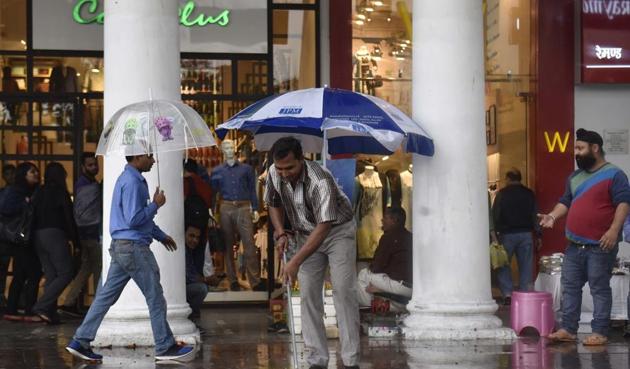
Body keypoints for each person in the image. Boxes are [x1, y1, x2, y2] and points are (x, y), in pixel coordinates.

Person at [65, 145, 195, 362]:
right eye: (149, 156)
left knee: (105, 298)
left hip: (122, 246)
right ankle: (164, 346)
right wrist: (156, 204)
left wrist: (160, 235)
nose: (153, 160)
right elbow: (134, 220)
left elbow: (137, 220)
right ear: (137, 157)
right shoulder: (133, 182)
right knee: (155, 297)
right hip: (133, 248)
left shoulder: (128, 179)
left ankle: (81, 340)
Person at [265, 137, 360, 369]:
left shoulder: (321, 179)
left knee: (343, 291)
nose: (284, 173)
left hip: (337, 232)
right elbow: (273, 202)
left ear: (302, 160)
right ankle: (317, 359)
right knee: (308, 293)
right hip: (305, 234)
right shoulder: (273, 173)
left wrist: (295, 262)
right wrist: (280, 233)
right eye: (280, 168)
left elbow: (324, 226)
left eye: (290, 168)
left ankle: (350, 360)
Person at [540, 129, 630, 346]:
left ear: (595, 148)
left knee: (599, 288)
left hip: (601, 244)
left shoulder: (615, 174)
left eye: (580, 149)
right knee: (570, 287)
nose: (576, 154)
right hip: (574, 245)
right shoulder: (574, 177)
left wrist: (613, 231)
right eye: (576, 149)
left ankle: (600, 332)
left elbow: (623, 204)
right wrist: (552, 216)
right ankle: (568, 329)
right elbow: (565, 202)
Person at [210, 139, 264, 291]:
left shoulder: (246, 169)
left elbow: (252, 190)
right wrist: (212, 210)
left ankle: (255, 280)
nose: (228, 149)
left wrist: (255, 208)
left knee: (249, 243)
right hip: (226, 206)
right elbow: (214, 194)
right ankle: (232, 280)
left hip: (243, 206)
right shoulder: (217, 171)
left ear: (234, 148)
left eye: (230, 146)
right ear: (222, 150)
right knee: (227, 243)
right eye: (225, 147)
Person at [31, 162, 78, 324]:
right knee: (66, 273)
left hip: (38, 236)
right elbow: (68, 217)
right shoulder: (60, 192)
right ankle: (42, 306)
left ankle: (50, 314)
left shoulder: (39, 191)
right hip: (55, 234)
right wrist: (76, 240)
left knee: (51, 275)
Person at [60, 153, 102, 317]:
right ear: (83, 167)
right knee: (99, 268)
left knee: (86, 269)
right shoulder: (86, 185)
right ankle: (99, 306)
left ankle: (69, 303)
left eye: (95, 164)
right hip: (90, 234)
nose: (94, 167)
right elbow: (84, 214)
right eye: (90, 165)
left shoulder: (90, 183)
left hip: (86, 234)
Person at [1, 162, 43, 322]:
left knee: (21, 274)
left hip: (25, 239)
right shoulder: (16, 192)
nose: (36, 174)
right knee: (33, 273)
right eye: (32, 172)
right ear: (23, 175)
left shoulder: (31, 191)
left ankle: (13, 308)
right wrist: (25, 204)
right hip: (20, 239)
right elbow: (6, 209)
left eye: (36, 171)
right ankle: (28, 310)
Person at [492, 168, 539, 305]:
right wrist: (538, 233)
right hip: (526, 234)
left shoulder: (502, 194)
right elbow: (535, 215)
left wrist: (495, 233)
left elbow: (496, 214)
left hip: (507, 235)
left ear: (508, 178)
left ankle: (507, 294)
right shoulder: (529, 194)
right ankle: (525, 294)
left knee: (503, 264)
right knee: (526, 266)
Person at [356, 207, 412, 312]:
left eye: (385, 218)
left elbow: (376, 268)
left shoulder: (389, 237)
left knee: (363, 274)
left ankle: (371, 308)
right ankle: (391, 305)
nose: (382, 220)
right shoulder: (410, 236)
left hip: (399, 286)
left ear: (394, 220)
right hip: (413, 288)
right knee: (376, 278)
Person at [184, 224, 209, 319]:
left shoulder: (189, 250)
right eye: (191, 236)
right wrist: (206, 280)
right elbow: (189, 276)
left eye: (197, 238)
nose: (195, 240)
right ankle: (190, 314)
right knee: (202, 289)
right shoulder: (183, 251)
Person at [0, 164, 16, 309]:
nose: (11, 177)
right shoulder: (11, 192)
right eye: (8, 174)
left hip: (8, 237)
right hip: (7, 237)